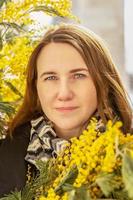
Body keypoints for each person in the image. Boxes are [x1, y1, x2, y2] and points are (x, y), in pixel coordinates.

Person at [0, 23, 132, 197]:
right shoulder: (5, 155)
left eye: (79, 75)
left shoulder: (126, 153)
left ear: (104, 82)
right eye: (51, 77)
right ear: (35, 87)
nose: (64, 93)